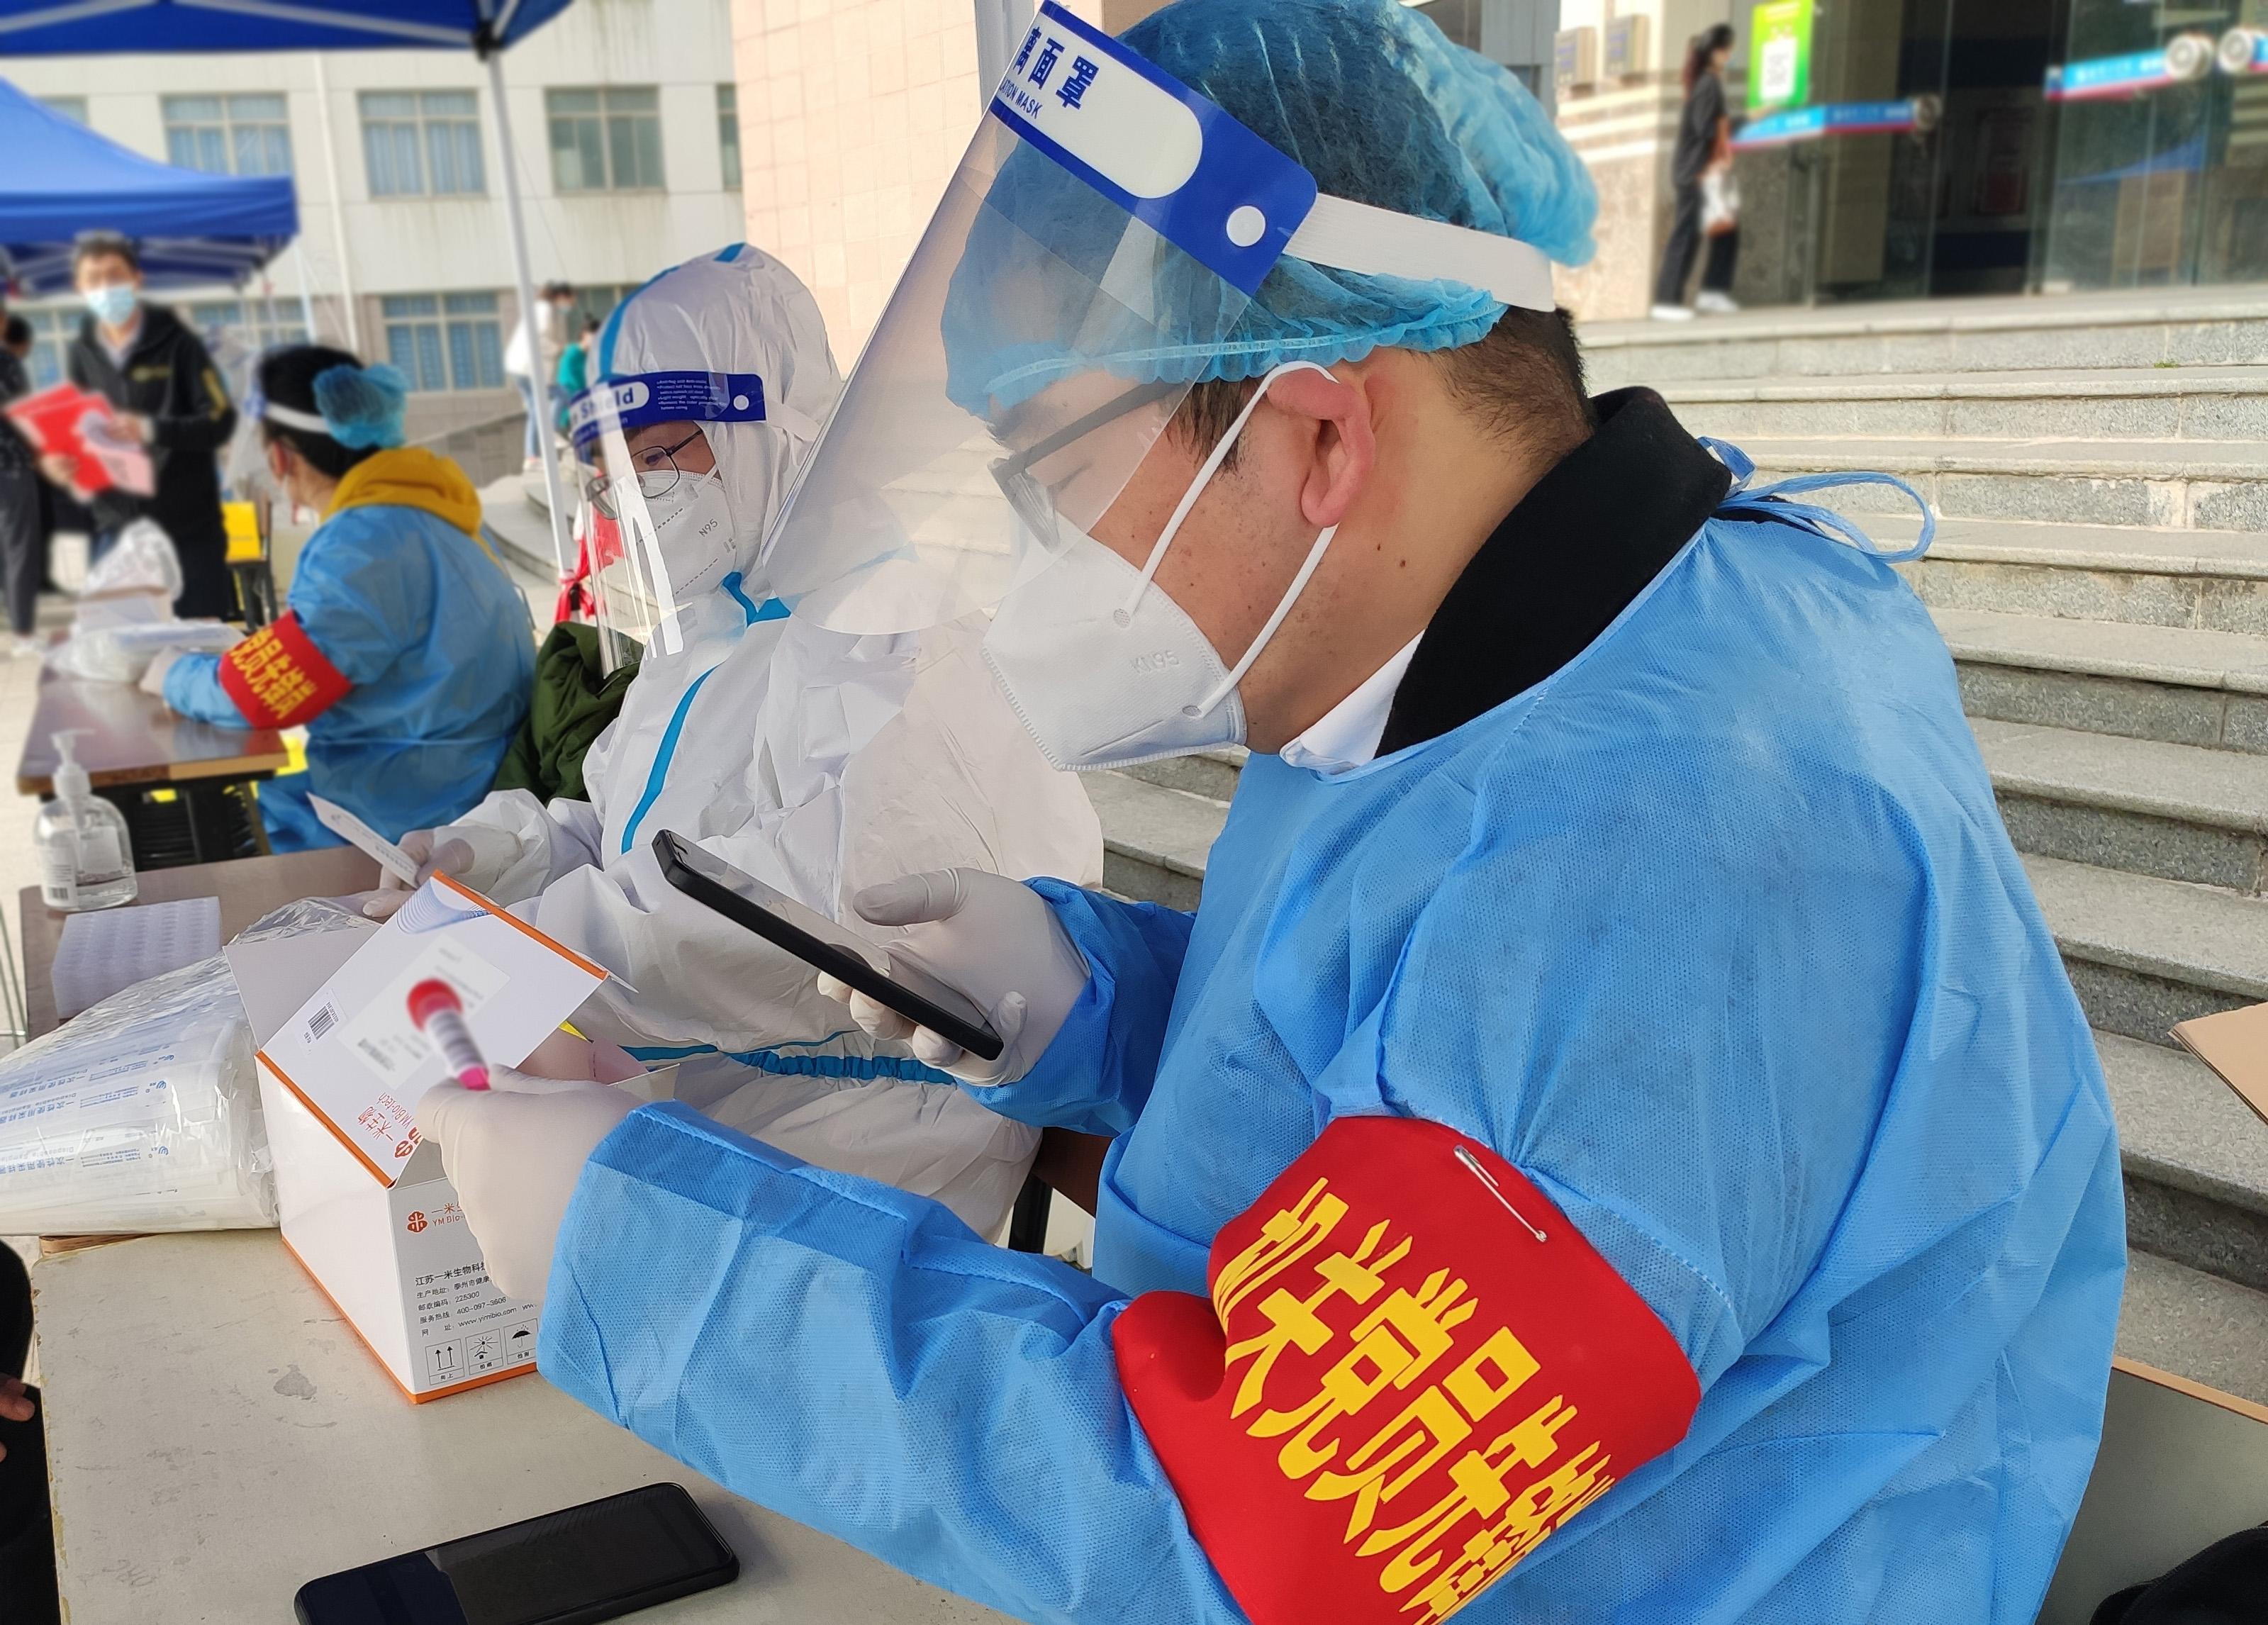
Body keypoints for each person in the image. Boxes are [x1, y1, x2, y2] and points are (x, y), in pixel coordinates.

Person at [420, 2, 2123, 1621]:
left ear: (1317, 437)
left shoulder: (1693, 841)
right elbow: (1423, 1049)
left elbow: (1266, 1533)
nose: (1037, 550)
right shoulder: (1494, 662)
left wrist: (652, 1254)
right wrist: (1108, 1000)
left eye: (1059, 472)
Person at [386, 245, 1101, 1236]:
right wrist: (497, 858)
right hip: (717, 1091)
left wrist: (536, 948)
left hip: (871, 1139)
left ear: (771, 427)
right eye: (616, 465)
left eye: (661, 451)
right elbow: (630, 831)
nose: (636, 491)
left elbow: (817, 908)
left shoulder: (898, 631)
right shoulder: (708, 636)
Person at [143, 347, 534, 851]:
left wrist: (171, 673)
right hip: (469, 795)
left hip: (395, 823)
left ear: (280, 456)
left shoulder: (362, 540)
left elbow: (266, 694)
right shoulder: (441, 513)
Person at [46, 232, 237, 617]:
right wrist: (62, 464)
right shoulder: (82, 352)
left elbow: (220, 420)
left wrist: (150, 429)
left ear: (137, 279)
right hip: (117, 528)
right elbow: (79, 429)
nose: (105, 287)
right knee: (120, 644)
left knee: (197, 640)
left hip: (185, 527)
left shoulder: (180, 344)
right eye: (94, 279)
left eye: (115, 275)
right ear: (79, 287)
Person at [1652, 24, 1741, 320]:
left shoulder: (1704, 82)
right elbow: (1705, 128)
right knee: (1686, 235)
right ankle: (1668, 301)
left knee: (1723, 230)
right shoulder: (1708, 83)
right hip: (1697, 172)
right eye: (1727, 50)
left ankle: (1711, 293)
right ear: (1716, 52)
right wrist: (1730, 128)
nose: (1730, 55)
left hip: (1701, 171)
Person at [0, 274, 40, 657]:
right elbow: (22, 412)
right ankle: (24, 636)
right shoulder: (6, 361)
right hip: (10, 466)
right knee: (19, 549)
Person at [505, 281, 574, 472]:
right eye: (569, 300)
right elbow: (540, 340)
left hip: (519, 367)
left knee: (535, 410)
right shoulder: (544, 310)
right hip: (528, 368)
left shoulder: (538, 309)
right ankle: (550, 433)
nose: (569, 305)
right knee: (560, 394)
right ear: (561, 297)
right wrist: (558, 347)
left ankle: (531, 457)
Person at [556, 315, 601, 425]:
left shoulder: (588, 356)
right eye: (595, 336)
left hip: (584, 411)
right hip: (571, 415)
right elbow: (574, 386)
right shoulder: (572, 355)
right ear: (585, 335)